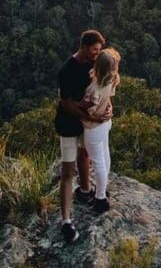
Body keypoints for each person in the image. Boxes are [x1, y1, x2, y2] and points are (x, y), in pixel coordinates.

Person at [55, 29, 109, 242]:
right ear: (84, 48)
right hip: (69, 123)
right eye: (95, 50)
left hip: (88, 123)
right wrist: (91, 118)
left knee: (85, 154)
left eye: (99, 50)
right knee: (67, 171)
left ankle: (86, 190)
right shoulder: (67, 70)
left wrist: (108, 109)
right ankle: (66, 221)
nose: (98, 53)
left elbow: (105, 86)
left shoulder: (95, 65)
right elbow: (66, 104)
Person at [80, 47, 121, 214]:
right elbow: (108, 97)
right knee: (104, 155)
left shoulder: (93, 89)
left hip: (94, 128)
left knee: (97, 162)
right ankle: (103, 189)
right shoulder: (113, 79)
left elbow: (86, 107)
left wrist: (72, 104)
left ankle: (100, 198)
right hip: (106, 123)